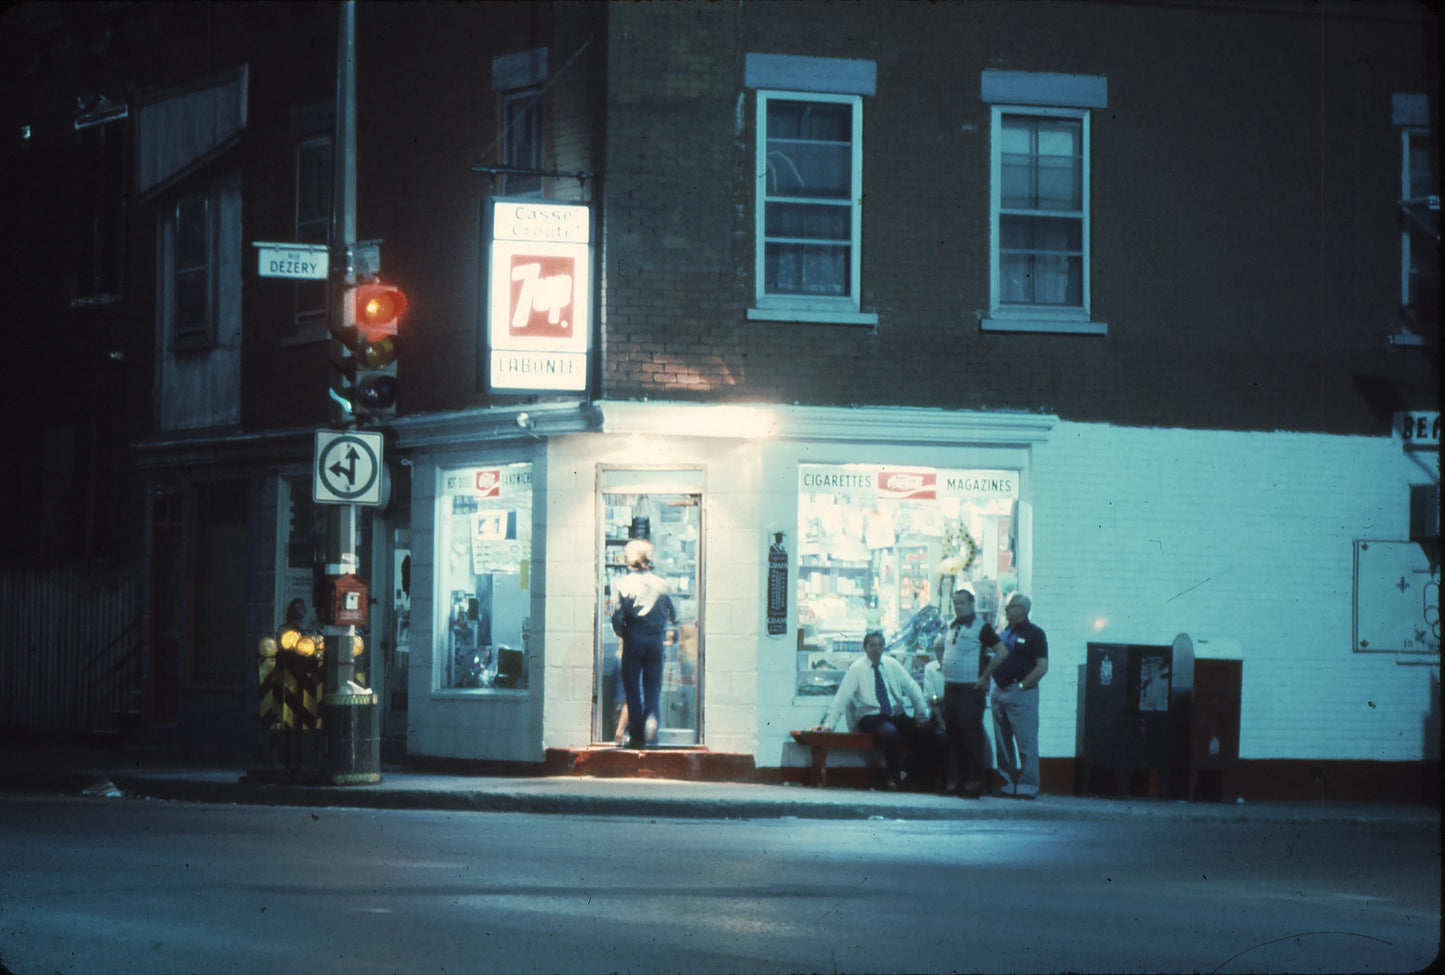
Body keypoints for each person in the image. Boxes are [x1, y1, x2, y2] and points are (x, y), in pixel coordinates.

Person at [812, 631, 947, 791]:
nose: (877, 649)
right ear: (866, 648)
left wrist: (921, 714)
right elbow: (842, 698)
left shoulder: (892, 664)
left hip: (896, 714)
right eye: (873, 645)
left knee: (935, 734)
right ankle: (894, 778)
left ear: (884, 647)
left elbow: (913, 688)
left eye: (880, 645)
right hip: (870, 716)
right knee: (890, 733)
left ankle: (906, 772)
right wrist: (829, 724)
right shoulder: (856, 669)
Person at [933, 585, 1009, 798]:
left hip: (970, 690)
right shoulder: (951, 626)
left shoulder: (981, 627)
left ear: (971, 604)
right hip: (951, 687)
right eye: (955, 603)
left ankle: (975, 783)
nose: (958, 607)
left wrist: (985, 676)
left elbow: (1002, 652)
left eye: (962, 603)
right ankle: (956, 781)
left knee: (971, 737)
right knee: (953, 736)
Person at [611, 539, 676, 749]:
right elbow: (674, 615)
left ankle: (637, 736)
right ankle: (652, 727)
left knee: (632, 688)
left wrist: (624, 634)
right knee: (653, 688)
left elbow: (617, 618)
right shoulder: (662, 584)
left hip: (633, 638)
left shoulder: (622, 584)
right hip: (655, 641)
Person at [991, 592, 1049, 799]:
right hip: (999, 692)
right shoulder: (1004, 633)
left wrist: (1023, 686)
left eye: (1011, 606)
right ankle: (1008, 785)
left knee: (1026, 742)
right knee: (1003, 743)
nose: (1006, 610)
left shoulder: (1035, 634)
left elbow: (1042, 666)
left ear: (1023, 609)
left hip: (1021, 694)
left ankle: (1027, 787)